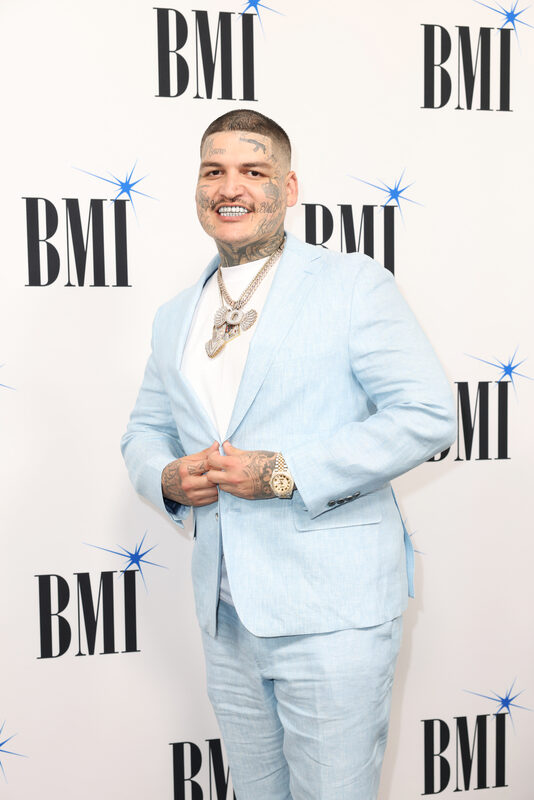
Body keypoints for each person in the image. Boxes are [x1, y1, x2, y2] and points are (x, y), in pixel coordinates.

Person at [121, 109, 455, 799]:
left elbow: (426, 414)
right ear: (197, 187)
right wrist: (166, 475)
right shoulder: (174, 315)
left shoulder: (353, 285)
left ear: (289, 187)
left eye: (253, 171)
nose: (229, 187)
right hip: (226, 614)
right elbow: (145, 430)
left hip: (333, 612)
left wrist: (283, 472)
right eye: (214, 171)